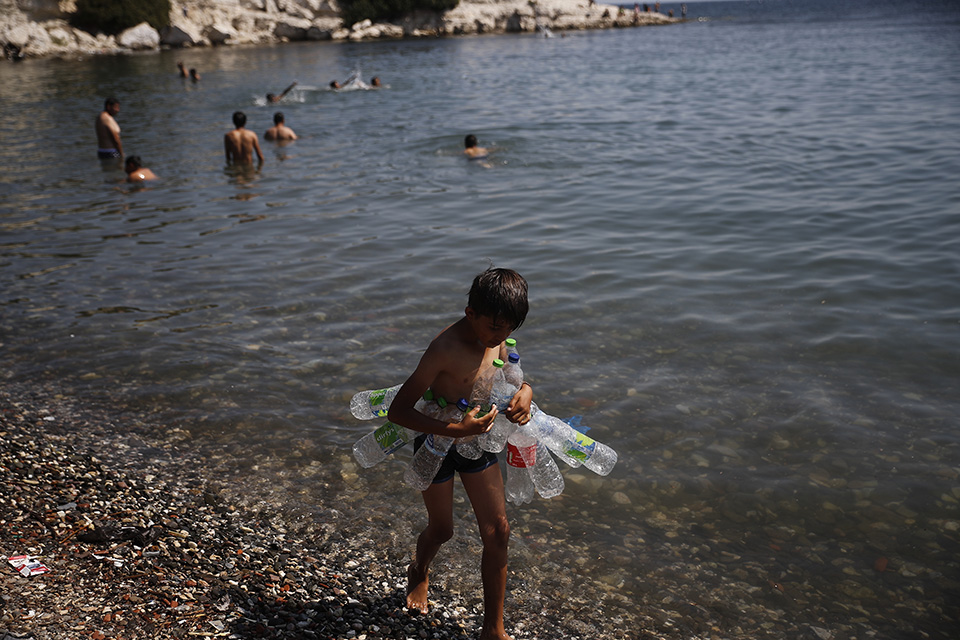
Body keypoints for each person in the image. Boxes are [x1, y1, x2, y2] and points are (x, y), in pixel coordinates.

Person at [386, 267, 532, 640]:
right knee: (442, 529)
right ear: (471, 314)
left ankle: (492, 630)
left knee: (498, 531)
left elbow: (511, 377)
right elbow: (399, 411)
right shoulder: (444, 349)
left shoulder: (498, 335)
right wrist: (456, 429)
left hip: (476, 441)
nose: (501, 336)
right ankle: (419, 569)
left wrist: (526, 394)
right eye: (495, 328)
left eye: (509, 329)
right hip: (437, 441)